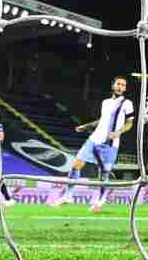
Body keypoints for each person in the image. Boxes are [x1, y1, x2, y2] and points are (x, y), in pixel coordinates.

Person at [51, 76, 134, 211]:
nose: (121, 87)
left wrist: (117, 132)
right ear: (113, 85)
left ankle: (100, 202)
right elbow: (101, 121)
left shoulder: (126, 103)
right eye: (118, 84)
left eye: (123, 85)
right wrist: (86, 126)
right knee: (76, 165)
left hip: (110, 144)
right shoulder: (105, 102)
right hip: (94, 139)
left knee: (104, 174)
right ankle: (68, 195)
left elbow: (130, 123)